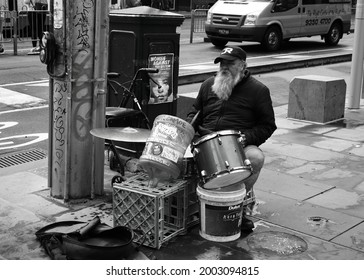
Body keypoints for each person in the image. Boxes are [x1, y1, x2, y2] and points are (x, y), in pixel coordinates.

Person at [186, 46, 277, 231]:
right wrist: (188, 133)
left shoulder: (258, 90)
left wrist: (245, 138)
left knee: (256, 158)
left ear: (243, 65)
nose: (224, 67)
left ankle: (236, 208)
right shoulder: (208, 84)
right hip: (204, 141)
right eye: (222, 63)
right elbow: (194, 113)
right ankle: (193, 207)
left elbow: (268, 126)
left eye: (230, 63)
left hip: (237, 145)